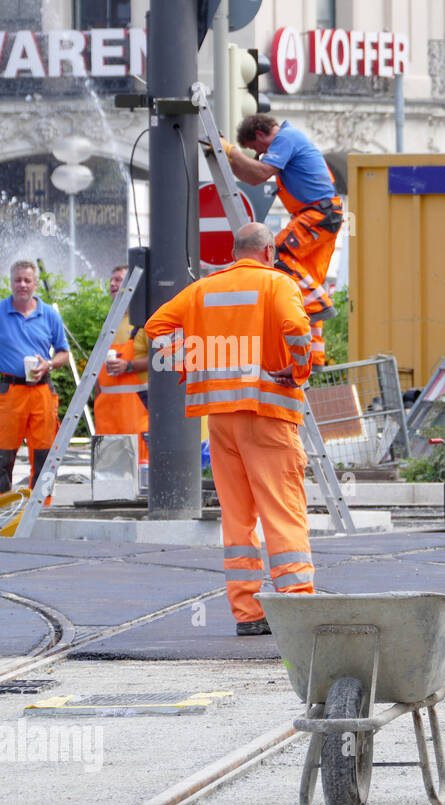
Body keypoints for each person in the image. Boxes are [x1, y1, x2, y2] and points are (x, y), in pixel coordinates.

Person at [145, 223, 315, 636]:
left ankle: (248, 612)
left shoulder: (203, 289)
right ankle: (297, 607)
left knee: (238, 518)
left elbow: (155, 328)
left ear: (235, 250)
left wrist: (187, 363)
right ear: (269, 251)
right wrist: (298, 370)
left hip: (219, 420)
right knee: (282, 511)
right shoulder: (278, 284)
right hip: (268, 414)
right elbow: (296, 327)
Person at [227, 114, 343, 377]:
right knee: (303, 284)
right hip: (320, 215)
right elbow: (254, 178)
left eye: (256, 149)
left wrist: (231, 151)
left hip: (316, 215)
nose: (259, 154)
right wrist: (229, 159)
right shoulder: (289, 140)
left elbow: (259, 172)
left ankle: (322, 304)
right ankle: (315, 358)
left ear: (259, 134)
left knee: (275, 256)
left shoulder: (285, 138)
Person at [0, 260, 71, 494]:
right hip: (10, 392)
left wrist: (49, 364)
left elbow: (64, 353)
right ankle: (2, 512)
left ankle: (42, 511)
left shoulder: (49, 315)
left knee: (45, 455)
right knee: (2, 455)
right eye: (18, 280)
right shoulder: (1, 311)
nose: (22, 284)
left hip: (42, 392)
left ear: (36, 284)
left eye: (27, 280)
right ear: (10, 282)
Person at [93, 264, 149, 462]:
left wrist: (129, 366)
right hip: (107, 415)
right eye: (112, 280)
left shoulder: (144, 321)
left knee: (139, 472)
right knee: (109, 474)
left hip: (136, 412)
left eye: (119, 280)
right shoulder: (110, 321)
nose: (113, 284)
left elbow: (162, 360)